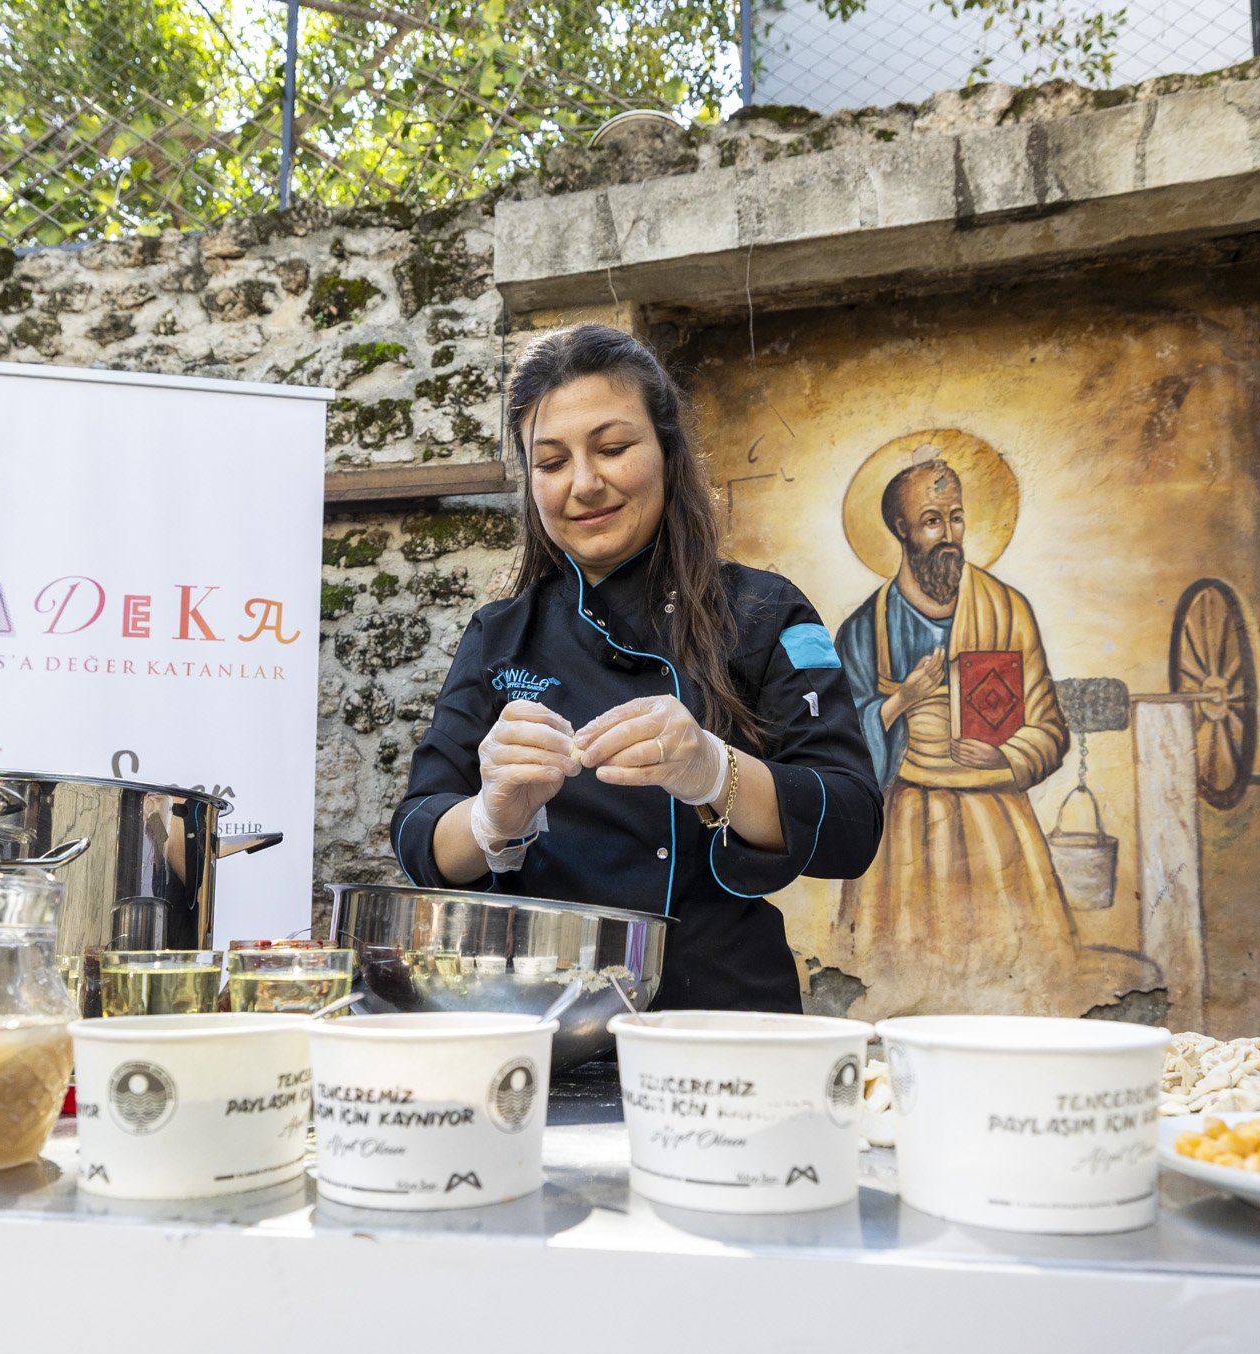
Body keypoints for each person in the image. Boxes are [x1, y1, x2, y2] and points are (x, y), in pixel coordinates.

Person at [390, 324, 883, 1012]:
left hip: (721, 1015)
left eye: (614, 448)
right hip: (540, 1017)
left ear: (667, 450)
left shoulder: (768, 613)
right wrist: (486, 820)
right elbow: (418, 836)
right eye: (552, 461)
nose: (585, 484)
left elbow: (853, 825)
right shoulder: (500, 635)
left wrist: (714, 770)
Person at [831, 450, 1080, 1009]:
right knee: (898, 993)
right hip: (902, 833)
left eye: (957, 517)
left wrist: (1007, 757)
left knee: (1023, 989)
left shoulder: (1008, 611)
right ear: (901, 528)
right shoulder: (863, 631)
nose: (949, 534)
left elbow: (1049, 727)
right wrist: (899, 705)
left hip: (998, 827)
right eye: (932, 520)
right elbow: (839, 754)